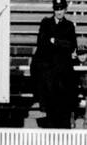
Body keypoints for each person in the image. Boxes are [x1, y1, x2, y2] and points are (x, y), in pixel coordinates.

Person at [33, 0, 81, 129]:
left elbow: (72, 46)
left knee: (63, 109)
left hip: (63, 73)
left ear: (65, 9)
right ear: (53, 9)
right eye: (56, 8)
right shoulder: (46, 23)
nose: (59, 11)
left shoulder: (69, 25)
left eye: (61, 8)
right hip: (49, 72)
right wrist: (62, 45)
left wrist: (55, 41)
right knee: (51, 109)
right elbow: (42, 44)